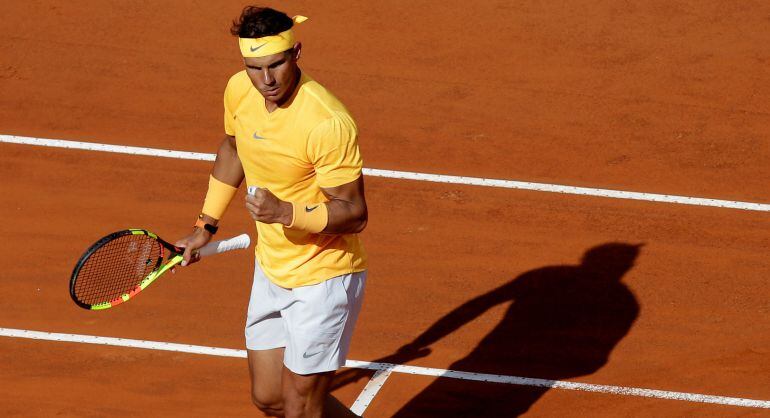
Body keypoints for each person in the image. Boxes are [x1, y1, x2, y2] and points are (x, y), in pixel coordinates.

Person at [175, 6, 368, 417]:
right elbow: (233, 148)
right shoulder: (239, 91)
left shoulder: (326, 122)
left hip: (323, 276)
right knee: (270, 398)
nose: (266, 80)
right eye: (254, 67)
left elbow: (354, 213)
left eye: (276, 64)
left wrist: (286, 213)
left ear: (296, 52)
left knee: (300, 407)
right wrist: (204, 226)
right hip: (272, 266)